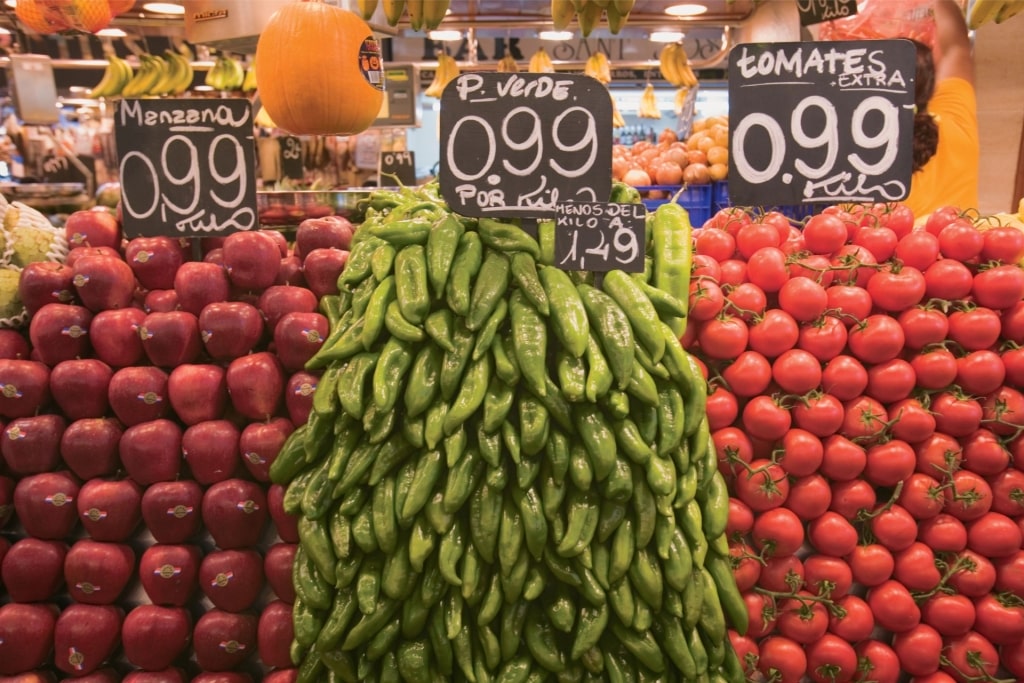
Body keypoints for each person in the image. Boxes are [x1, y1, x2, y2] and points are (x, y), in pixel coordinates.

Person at [904, 0, 980, 219]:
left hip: (876, 242)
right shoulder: (954, 117)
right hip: (964, 240)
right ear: (930, 84)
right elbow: (957, 47)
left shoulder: (852, 144)